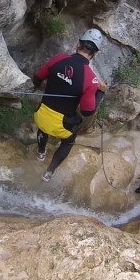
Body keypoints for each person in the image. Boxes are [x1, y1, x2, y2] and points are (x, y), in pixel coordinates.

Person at [32, 29, 107, 182]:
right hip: (61, 126)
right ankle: (49, 172)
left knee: (44, 123)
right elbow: (87, 112)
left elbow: (37, 79)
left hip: (41, 115)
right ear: (96, 53)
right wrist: (100, 93)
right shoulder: (91, 79)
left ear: (78, 44)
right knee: (68, 141)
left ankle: (40, 152)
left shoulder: (58, 59)